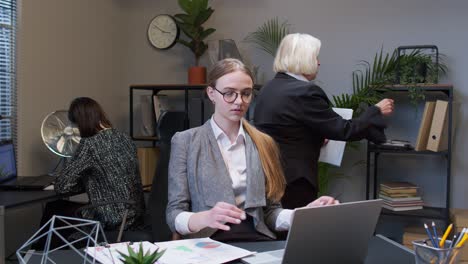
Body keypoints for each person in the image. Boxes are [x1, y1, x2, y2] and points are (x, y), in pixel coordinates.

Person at [166, 58, 338, 242]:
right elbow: (174, 214)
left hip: (256, 241)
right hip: (208, 245)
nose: (239, 101)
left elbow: (271, 213)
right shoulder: (186, 141)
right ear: (211, 93)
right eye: (229, 93)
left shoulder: (264, 143)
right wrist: (205, 218)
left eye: (246, 93)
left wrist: (303, 214)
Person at [253, 33, 394, 209]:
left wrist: (316, 137)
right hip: (296, 180)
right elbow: (345, 130)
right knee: (299, 233)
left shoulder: (268, 88)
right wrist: (376, 110)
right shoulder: (304, 92)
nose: (318, 62)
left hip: (270, 176)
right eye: (315, 57)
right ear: (303, 59)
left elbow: (286, 130)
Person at [40, 97, 145, 237]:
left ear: (79, 123)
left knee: (54, 208)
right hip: (134, 215)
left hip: (112, 217)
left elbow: (62, 186)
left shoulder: (90, 145)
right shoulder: (124, 138)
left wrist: (75, 180)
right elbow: (111, 176)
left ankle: (40, 256)